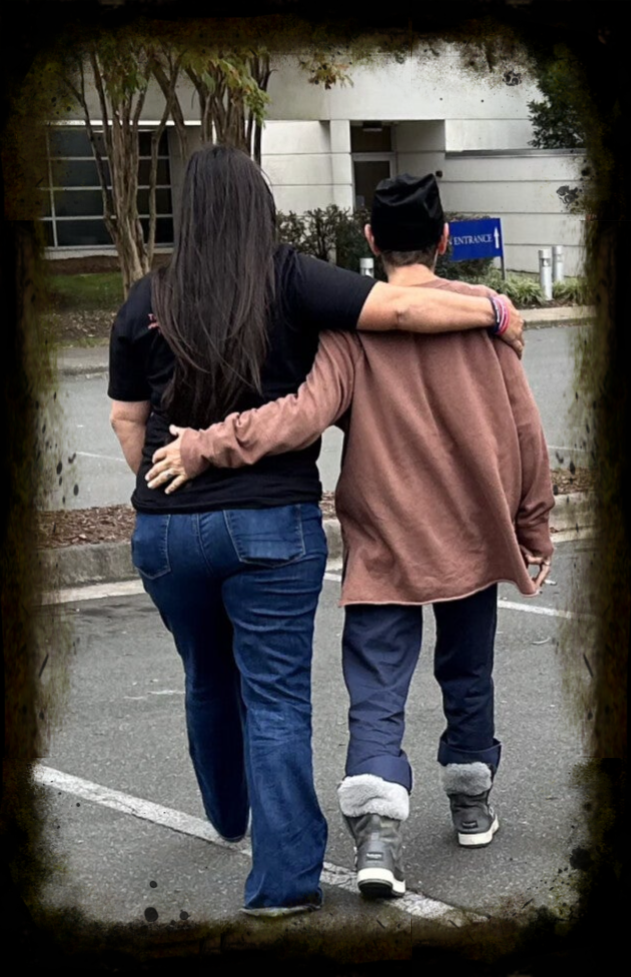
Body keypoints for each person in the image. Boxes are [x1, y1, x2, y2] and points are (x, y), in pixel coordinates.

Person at [108, 146, 524, 917]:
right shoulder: (292, 278)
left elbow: (128, 419)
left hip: (169, 528)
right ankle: (284, 881)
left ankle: (228, 813)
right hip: (276, 524)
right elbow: (402, 311)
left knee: (209, 674)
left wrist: (168, 479)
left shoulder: (146, 298)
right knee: (277, 700)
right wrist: (493, 310)